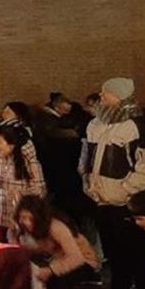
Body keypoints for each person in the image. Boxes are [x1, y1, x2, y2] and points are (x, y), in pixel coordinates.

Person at [81, 77, 145, 289]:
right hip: (101, 201)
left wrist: (125, 190)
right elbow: (88, 158)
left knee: (135, 255)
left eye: (107, 94)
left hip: (124, 204)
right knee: (114, 254)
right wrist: (88, 183)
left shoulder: (136, 127)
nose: (102, 97)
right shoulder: (95, 124)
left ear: (120, 97)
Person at [11, 194, 100, 289]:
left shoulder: (55, 227)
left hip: (84, 261)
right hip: (58, 260)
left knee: (56, 285)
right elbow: (23, 248)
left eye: (28, 217)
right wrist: (14, 234)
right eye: (22, 217)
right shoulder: (23, 229)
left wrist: (52, 270)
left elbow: (76, 257)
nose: (24, 221)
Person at [0, 104, 47, 234]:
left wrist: (21, 196)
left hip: (23, 218)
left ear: (12, 144)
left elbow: (40, 189)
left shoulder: (28, 161)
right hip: (2, 215)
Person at [34, 94, 90, 224]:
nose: (69, 106)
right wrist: (72, 134)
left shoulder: (57, 120)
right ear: (57, 105)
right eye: (67, 103)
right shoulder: (48, 121)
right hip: (58, 166)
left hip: (57, 167)